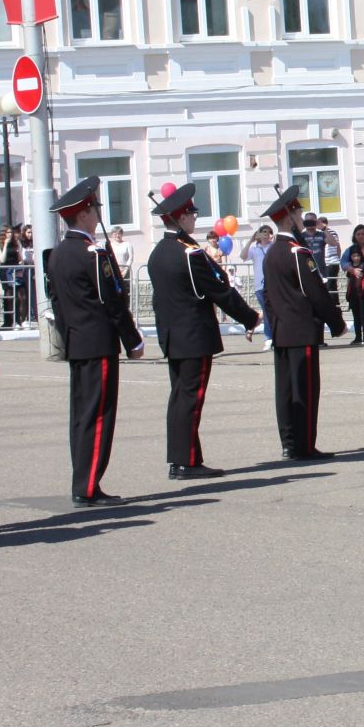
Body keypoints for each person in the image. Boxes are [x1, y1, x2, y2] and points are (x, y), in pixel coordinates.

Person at [147, 184, 261, 480]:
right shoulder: (190, 253)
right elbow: (219, 289)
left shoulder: (158, 252)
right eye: (191, 215)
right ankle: (185, 462)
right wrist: (249, 317)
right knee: (190, 399)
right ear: (182, 217)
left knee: (180, 398)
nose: (195, 219)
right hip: (194, 336)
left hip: (172, 336)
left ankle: (184, 458)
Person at [46, 177, 147, 505]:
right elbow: (113, 302)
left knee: (82, 415)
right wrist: (132, 340)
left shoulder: (58, 254)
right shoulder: (92, 253)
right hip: (99, 343)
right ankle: (88, 486)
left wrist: (69, 336)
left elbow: (58, 305)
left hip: (78, 342)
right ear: (85, 214)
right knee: (98, 415)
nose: (99, 213)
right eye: (96, 208)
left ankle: (83, 481)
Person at [261, 186, 346, 461]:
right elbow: (315, 293)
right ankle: (305, 445)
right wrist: (336, 323)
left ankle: (289, 443)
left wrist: (273, 325)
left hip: (281, 330)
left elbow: (269, 296)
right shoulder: (298, 253)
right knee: (306, 391)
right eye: (298, 211)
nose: (301, 216)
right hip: (302, 330)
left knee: (285, 391)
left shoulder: (271, 252)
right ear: (289, 217)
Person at [245, 225, 276, 349]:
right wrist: (251, 240)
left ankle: (271, 335)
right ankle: (268, 338)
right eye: (263, 233)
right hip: (260, 285)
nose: (265, 235)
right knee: (267, 310)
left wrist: (274, 241)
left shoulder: (272, 247)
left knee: (271, 310)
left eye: (268, 233)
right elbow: (243, 256)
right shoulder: (254, 249)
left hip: (273, 284)